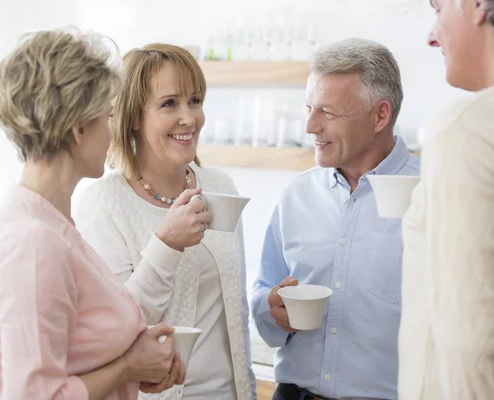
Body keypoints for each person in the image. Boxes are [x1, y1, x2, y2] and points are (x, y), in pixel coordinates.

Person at [0, 29, 186, 400]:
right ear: (79, 128)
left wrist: (137, 365)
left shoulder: (49, 224)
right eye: (108, 117)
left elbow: (71, 360)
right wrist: (127, 367)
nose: (114, 133)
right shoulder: (32, 244)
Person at [74, 43, 256, 400]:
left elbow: (237, 307)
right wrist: (166, 245)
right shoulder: (103, 204)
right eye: (169, 103)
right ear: (133, 117)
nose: (189, 118)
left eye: (195, 100)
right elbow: (114, 332)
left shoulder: (219, 186)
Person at [250, 38, 420, 400]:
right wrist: (270, 307)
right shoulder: (295, 197)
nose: (310, 126)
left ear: (380, 115)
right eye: (309, 108)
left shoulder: (434, 195)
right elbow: (264, 289)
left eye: (327, 112)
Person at [398, 0, 494, 398]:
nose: (432, 36)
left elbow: (467, 338)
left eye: (438, 9)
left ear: (475, 5)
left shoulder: (465, 127)